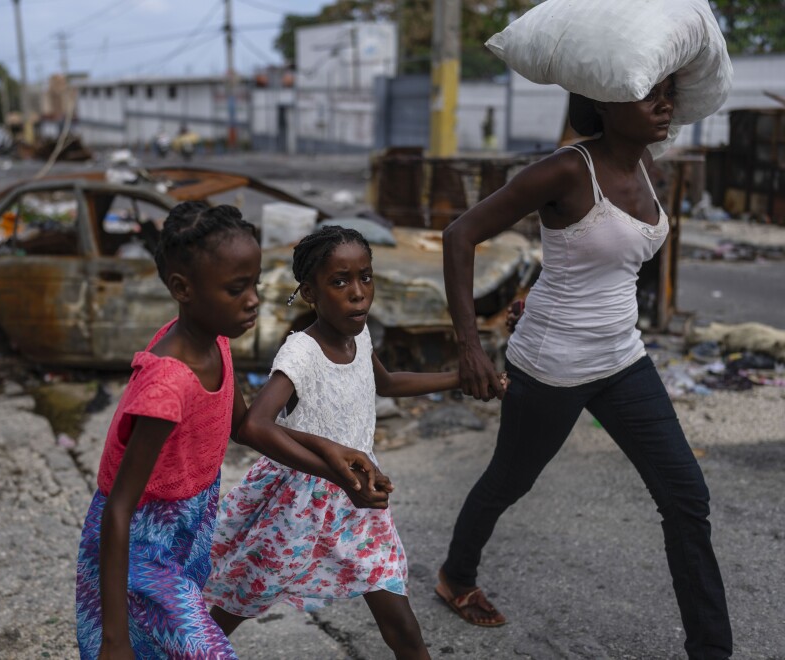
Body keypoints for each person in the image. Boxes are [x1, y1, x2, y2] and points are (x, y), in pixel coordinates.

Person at [435, 76, 732, 659]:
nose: (665, 104)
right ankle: (456, 575)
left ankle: (712, 651)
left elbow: (607, 264)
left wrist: (542, 290)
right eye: (650, 93)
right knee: (509, 481)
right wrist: (470, 345)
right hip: (552, 365)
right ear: (602, 101)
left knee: (686, 498)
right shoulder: (567, 171)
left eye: (668, 91)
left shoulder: (649, 163)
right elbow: (459, 234)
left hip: (623, 358)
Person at [75, 203, 389, 659]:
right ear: (183, 289)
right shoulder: (167, 384)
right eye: (236, 289)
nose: (254, 300)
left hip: (189, 530)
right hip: (143, 551)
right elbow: (118, 509)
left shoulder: (216, 342)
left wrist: (332, 455)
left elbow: (243, 427)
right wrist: (113, 638)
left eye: (255, 284)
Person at [204, 226, 485, 659]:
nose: (358, 293)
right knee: (229, 609)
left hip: (358, 504)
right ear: (310, 293)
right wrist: (333, 471)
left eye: (365, 277)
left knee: (401, 623)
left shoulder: (360, 333)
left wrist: (462, 379)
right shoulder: (301, 352)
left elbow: (386, 382)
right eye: (339, 282)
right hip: (296, 506)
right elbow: (256, 426)